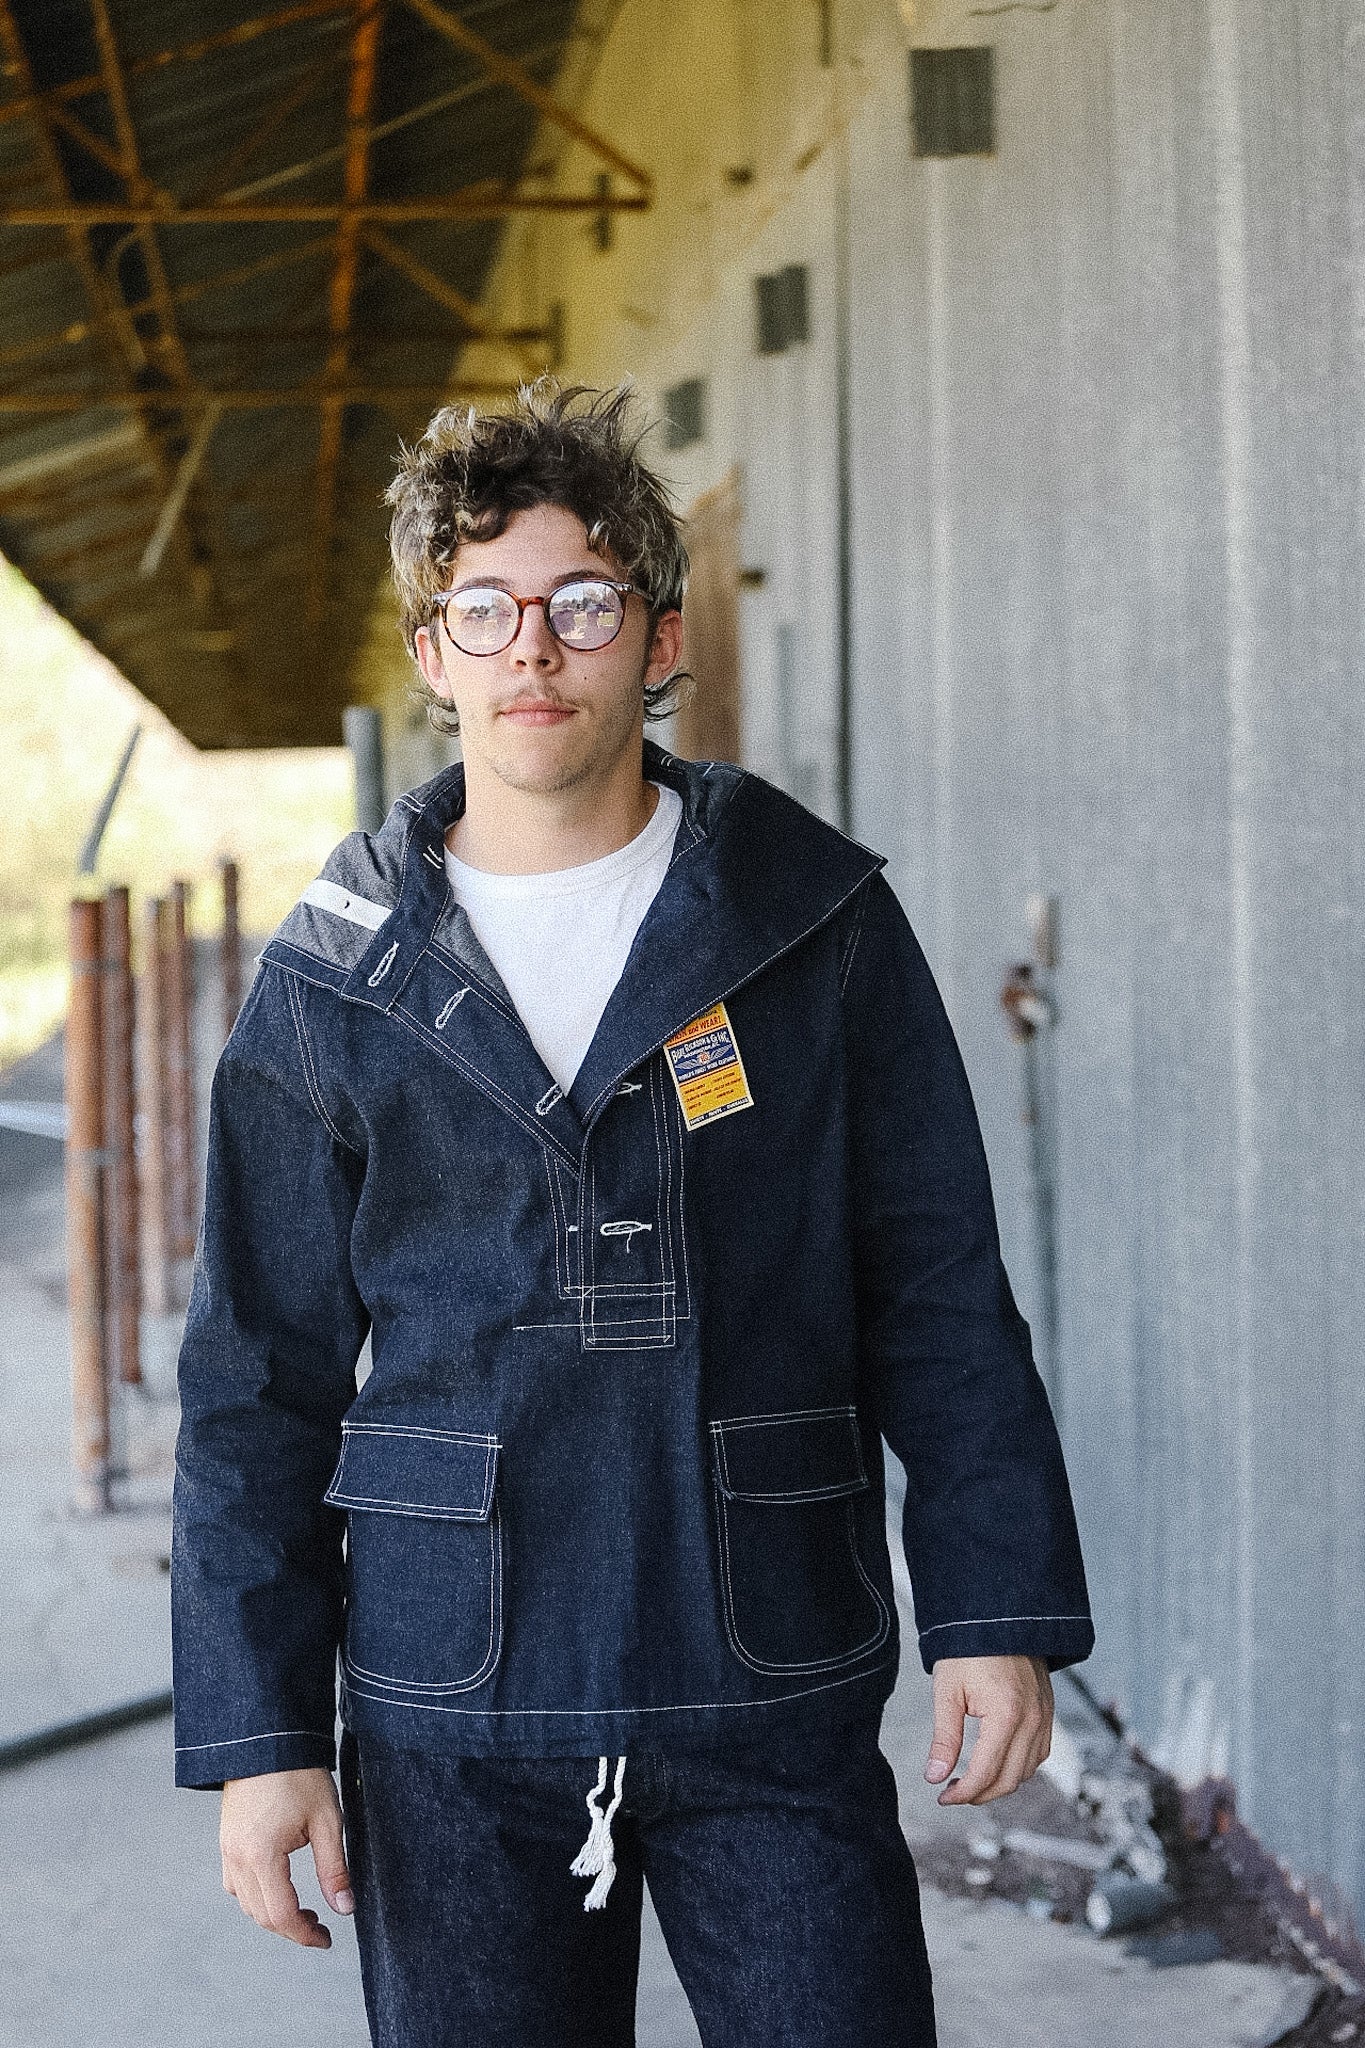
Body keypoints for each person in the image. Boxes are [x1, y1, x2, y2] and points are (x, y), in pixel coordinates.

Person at [171, 379, 1094, 2047]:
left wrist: (992, 1608)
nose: (536, 646)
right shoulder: (335, 980)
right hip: (453, 1693)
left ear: (657, 639)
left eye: (583, 603)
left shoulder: (812, 924)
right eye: (487, 608)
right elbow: (256, 1378)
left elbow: (937, 1285)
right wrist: (260, 1738)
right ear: (432, 650)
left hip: (770, 1665)